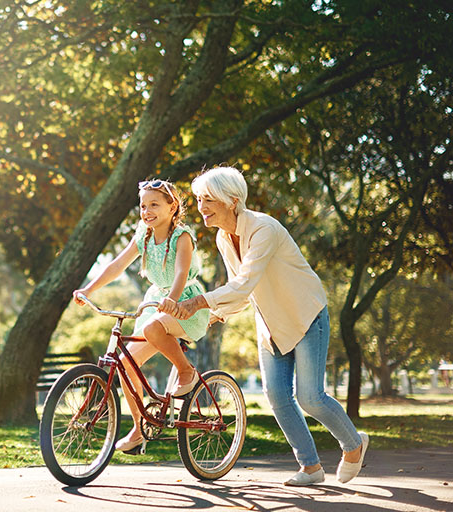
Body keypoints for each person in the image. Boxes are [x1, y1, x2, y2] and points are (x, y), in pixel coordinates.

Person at [162, 166, 369, 486]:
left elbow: (243, 284)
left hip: (305, 315)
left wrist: (198, 302)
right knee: (277, 396)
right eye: (200, 199)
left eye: (208, 199)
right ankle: (311, 467)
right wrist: (216, 315)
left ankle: (353, 445)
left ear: (232, 200)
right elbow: (241, 292)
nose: (201, 206)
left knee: (310, 398)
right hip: (271, 324)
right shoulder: (222, 238)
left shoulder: (263, 228)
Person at [73, 179, 209, 453]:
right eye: (143, 206)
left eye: (154, 205)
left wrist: (172, 299)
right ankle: (139, 428)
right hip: (157, 300)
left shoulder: (182, 236)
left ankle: (186, 371)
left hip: (185, 302)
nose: (147, 211)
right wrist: (89, 288)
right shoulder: (144, 235)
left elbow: (181, 272)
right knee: (126, 363)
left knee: (152, 330)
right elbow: (117, 265)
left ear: (173, 207)